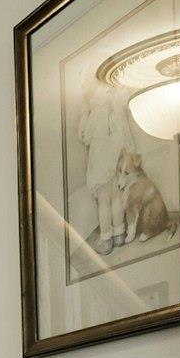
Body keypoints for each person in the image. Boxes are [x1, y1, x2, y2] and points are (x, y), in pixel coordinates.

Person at [76, 78, 135, 256]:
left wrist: (84, 113)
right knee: (116, 199)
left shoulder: (94, 113)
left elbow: (84, 137)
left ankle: (106, 237)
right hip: (115, 162)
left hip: (100, 164)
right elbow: (128, 139)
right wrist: (128, 155)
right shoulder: (117, 110)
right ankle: (119, 234)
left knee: (103, 202)